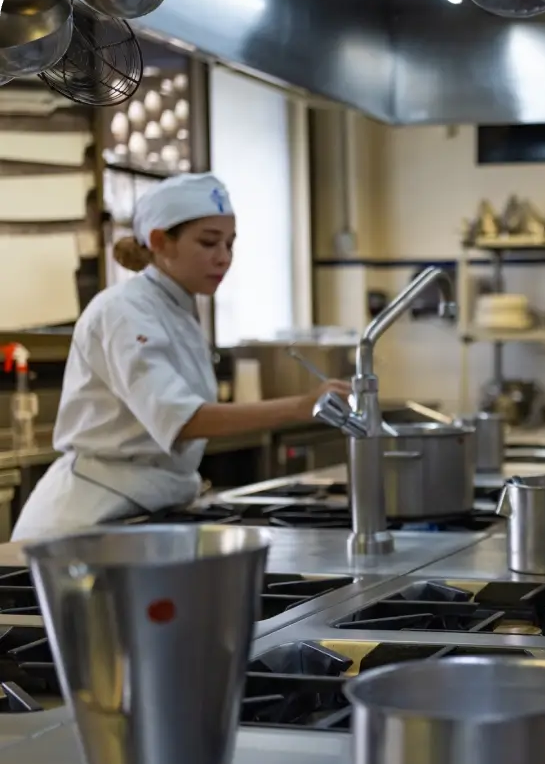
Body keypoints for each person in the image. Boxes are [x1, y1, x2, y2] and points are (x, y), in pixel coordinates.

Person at [12, 173, 348, 540]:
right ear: (160, 242)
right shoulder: (124, 310)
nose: (223, 258)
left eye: (230, 245)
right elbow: (182, 420)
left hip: (141, 512)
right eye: (208, 243)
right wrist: (303, 406)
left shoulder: (177, 309)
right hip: (83, 523)